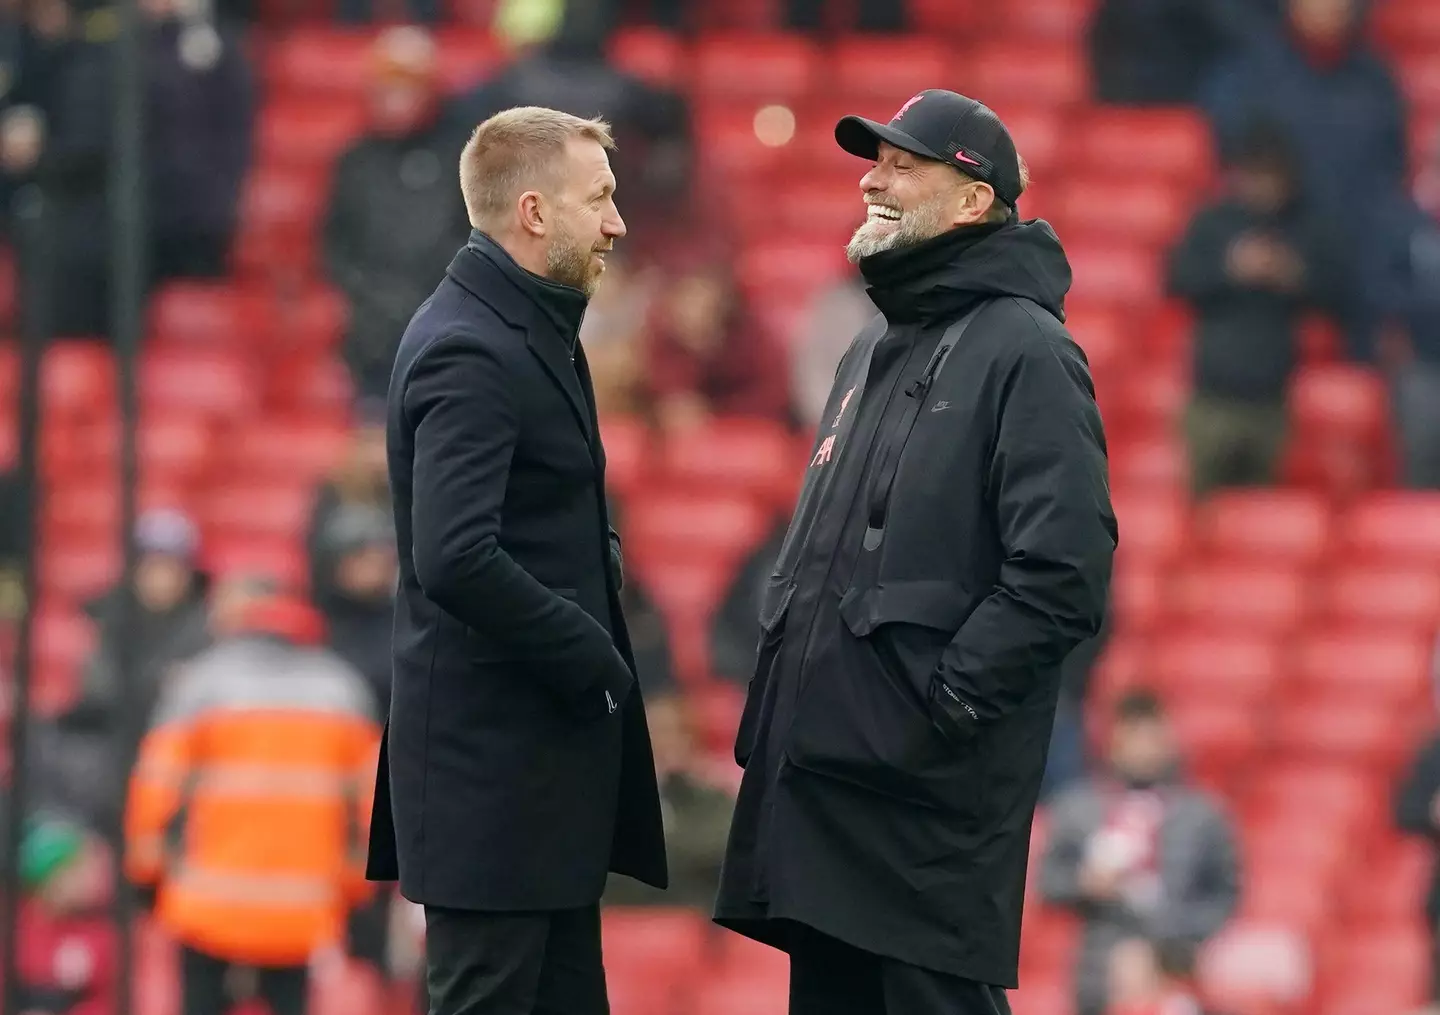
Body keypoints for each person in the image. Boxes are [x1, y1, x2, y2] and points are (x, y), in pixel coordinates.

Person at [713, 89, 1116, 1015]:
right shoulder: (872, 347)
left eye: (902, 162)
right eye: (874, 159)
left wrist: (944, 702)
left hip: (923, 808)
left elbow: (1063, 570)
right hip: (824, 795)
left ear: (973, 199)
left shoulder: (1029, 350)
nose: (873, 177)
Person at [365, 106, 667, 1015]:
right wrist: (592, 656)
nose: (618, 223)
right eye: (601, 198)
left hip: (535, 790)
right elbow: (454, 555)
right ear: (534, 213)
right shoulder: (471, 344)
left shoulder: (521, 325)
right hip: (490, 788)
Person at [125, 591, 380, 1015]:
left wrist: (147, 870)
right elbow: (371, 807)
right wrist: (353, 888)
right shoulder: (343, 691)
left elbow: (155, 786)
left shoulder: (201, 684)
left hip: (205, 901)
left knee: (199, 1003)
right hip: (302, 906)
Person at [1166, 119, 1343, 498]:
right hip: (1213, 397)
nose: (1266, 186)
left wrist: (1293, 275)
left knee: (1261, 519)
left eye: (1274, 177)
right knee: (1203, 514)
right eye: (1257, 175)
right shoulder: (1212, 222)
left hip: (1271, 401)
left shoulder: (1305, 226)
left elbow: (1337, 293)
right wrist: (1230, 269)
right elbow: (1177, 280)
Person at [1040, 691, 1239, 1015]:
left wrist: (1174, 941)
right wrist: (1085, 884)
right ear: (1114, 742)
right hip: (1098, 969)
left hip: (1175, 966)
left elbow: (1225, 894)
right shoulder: (1078, 807)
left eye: (1152, 737)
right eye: (1134, 737)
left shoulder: (1203, 813)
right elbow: (1047, 883)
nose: (1144, 749)